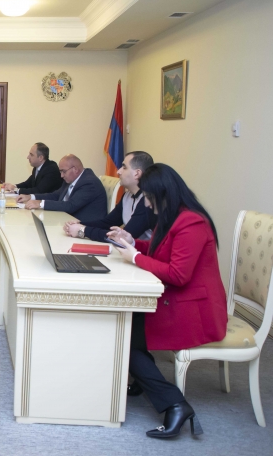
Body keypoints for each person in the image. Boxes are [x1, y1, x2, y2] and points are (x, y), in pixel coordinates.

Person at [110, 163, 226, 439]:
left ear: (164, 194)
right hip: (175, 300)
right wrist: (132, 242)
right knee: (123, 325)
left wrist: (136, 258)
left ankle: (175, 404)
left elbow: (178, 274)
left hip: (195, 311)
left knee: (122, 336)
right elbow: (160, 252)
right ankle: (144, 379)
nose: (147, 204)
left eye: (150, 198)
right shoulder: (175, 216)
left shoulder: (192, 222)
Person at [64, 151, 156, 243]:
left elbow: (122, 238)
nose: (118, 171)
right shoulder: (127, 195)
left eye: (124, 167)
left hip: (144, 251)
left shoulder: (148, 201)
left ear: (137, 173)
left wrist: (83, 231)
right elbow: (108, 223)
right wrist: (79, 224)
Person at [18, 154, 106, 221]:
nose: (61, 175)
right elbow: (55, 195)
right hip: (68, 221)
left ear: (75, 169)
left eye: (63, 171)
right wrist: (31, 197)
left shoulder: (89, 182)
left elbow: (70, 205)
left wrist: (40, 203)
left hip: (86, 228)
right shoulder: (71, 179)